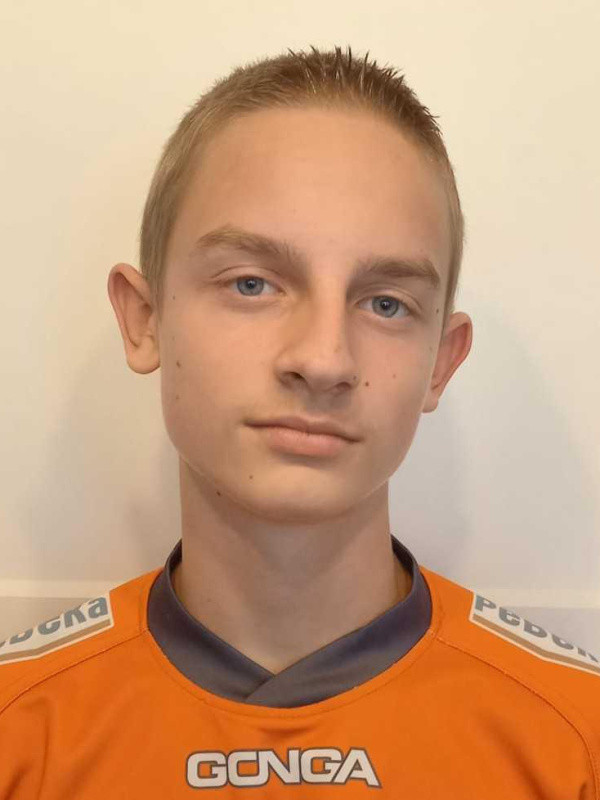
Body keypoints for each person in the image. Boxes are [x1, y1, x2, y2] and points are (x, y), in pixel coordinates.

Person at [1, 45, 598, 797]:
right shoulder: (19, 729)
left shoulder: (576, 740)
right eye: (252, 284)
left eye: (386, 303)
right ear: (145, 319)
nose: (323, 360)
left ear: (440, 364)